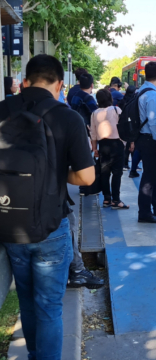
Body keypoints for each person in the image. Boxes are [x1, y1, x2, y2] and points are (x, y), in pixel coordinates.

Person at [0, 54, 95, 360]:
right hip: (51, 226)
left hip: (9, 222)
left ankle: (32, 353)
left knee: (26, 300)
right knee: (49, 307)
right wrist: (56, 172)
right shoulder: (67, 117)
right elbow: (85, 177)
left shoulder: (3, 109)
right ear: (59, 85)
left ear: (24, 82)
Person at [135, 61, 156, 223]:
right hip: (151, 140)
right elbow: (154, 121)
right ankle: (145, 213)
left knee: (151, 175)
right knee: (149, 178)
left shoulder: (140, 90)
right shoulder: (153, 95)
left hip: (142, 138)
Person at [90, 89, 129, 210]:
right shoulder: (117, 110)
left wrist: (94, 148)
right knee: (117, 173)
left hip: (103, 145)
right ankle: (116, 200)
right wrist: (124, 142)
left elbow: (93, 133)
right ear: (110, 98)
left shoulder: (94, 113)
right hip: (117, 144)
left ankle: (106, 198)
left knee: (104, 173)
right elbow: (124, 127)